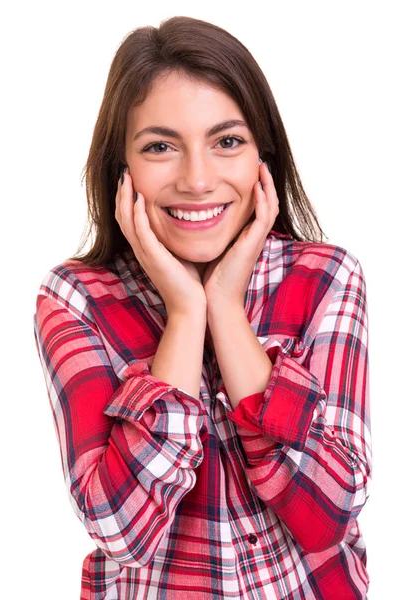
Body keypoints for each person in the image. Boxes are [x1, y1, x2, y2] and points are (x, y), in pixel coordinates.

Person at [33, 15, 372, 600]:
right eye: (161, 146)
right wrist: (186, 315)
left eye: (227, 142)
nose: (197, 179)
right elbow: (121, 530)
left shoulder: (324, 278)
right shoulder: (75, 299)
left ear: (262, 159)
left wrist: (225, 309)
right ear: (123, 170)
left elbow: (329, 514)